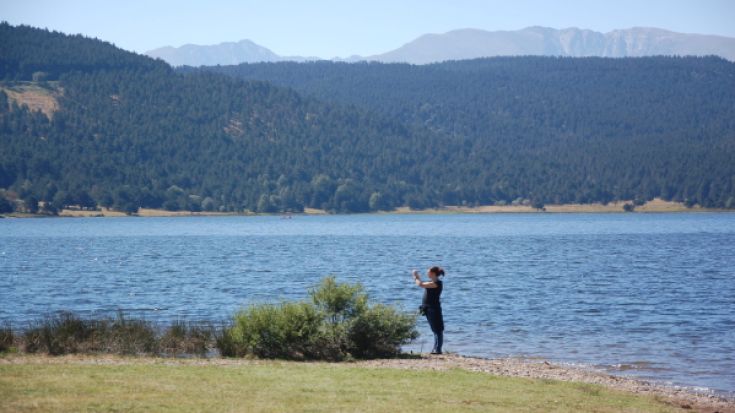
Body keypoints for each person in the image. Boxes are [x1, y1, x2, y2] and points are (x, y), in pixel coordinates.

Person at [412, 266, 445, 354]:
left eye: (428, 272)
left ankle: (438, 349)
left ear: (433, 273)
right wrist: (417, 278)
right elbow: (422, 284)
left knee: (437, 329)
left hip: (433, 308)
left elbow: (420, 284)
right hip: (428, 308)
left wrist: (415, 276)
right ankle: (436, 348)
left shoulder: (437, 283)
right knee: (434, 329)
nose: (427, 273)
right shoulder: (432, 282)